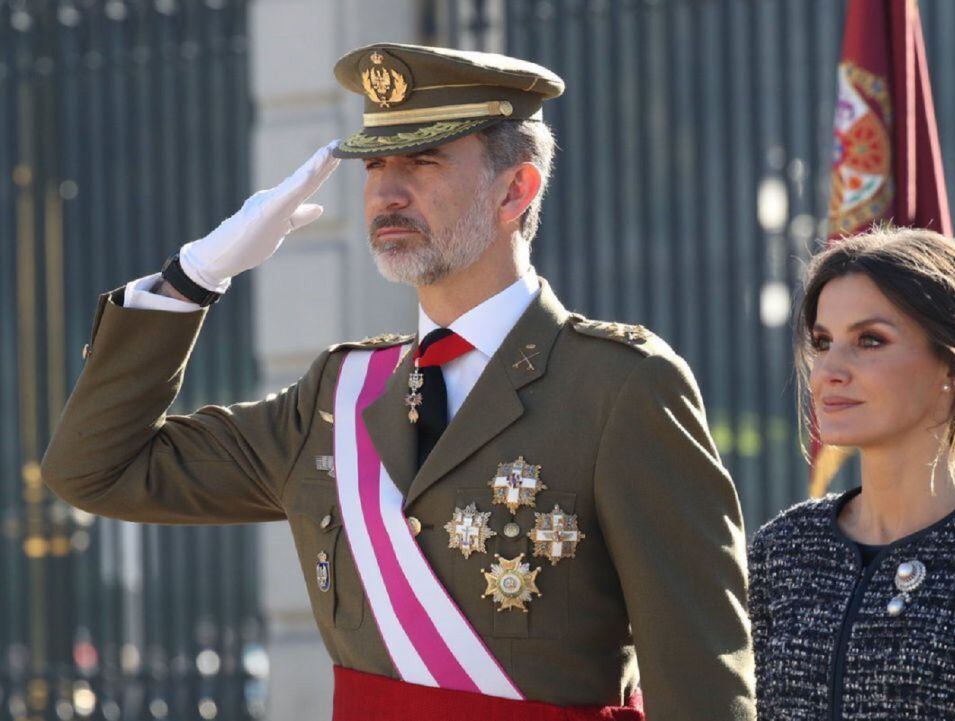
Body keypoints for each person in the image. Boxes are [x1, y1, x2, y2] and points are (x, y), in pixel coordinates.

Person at [42, 43, 755, 720]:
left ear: (516, 190)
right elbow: (94, 469)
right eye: (374, 163)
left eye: (422, 160)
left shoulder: (619, 389)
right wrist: (191, 280)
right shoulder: (339, 395)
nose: (387, 190)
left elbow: (699, 677)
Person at [748, 227, 955, 720]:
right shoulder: (784, 549)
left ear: (953, 363)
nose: (827, 371)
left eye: (869, 340)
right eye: (822, 342)